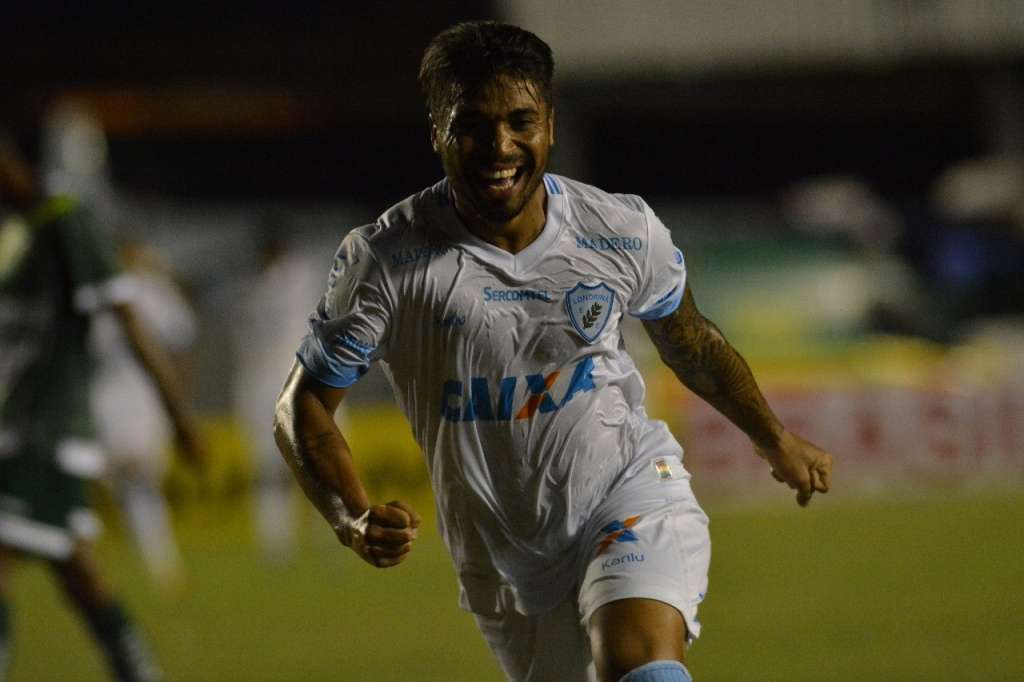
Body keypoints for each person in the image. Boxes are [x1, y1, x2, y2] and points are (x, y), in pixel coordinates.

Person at [274, 21, 833, 682]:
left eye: (520, 121)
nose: (500, 147)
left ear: (551, 125)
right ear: (436, 131)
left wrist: (774, 438)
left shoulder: (620, 231)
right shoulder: (388, 260)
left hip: (627, 490)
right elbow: (303, 406)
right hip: (500, 555)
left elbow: (690, 343)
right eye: (473, 126)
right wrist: (352, 514)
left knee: (640, 665)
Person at [0, 130, 204, 681]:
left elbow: (132, 322)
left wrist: (178, 415)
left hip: (43, 429)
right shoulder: (14, 236)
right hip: (25, 426)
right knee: (80, 574)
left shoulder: (68, 221)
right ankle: (137, 668)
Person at [90, 239, 200, 592]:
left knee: (140, 474)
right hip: (103, 395)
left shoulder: (155, 292)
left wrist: (179, 394)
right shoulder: (95, 290)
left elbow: (183, 337)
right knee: (120, 478)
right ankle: (147, 561)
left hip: (145, 396)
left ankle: (158, 563)